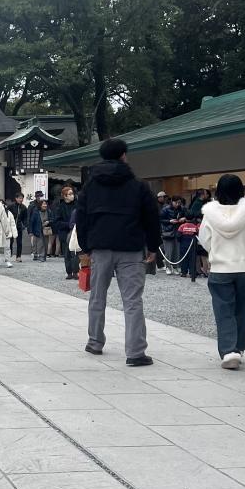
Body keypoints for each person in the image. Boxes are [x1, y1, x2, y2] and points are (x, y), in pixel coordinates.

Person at [74, 138, 160, 366]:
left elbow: (81, 218)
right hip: (130, 248)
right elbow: (151, 218)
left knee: (97, 296)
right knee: (132, 300)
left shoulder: (90, 186)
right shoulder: (138, 186)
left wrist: (86, 246)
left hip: (100, 248)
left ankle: (95, 341)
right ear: (123, 156)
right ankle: (135, 352)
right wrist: (153, 246)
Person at [198, 174, 245, 369]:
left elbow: (204, 238)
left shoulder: (210, 213)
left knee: (223, 310)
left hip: (220, 268)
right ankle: (238, 347)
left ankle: (229, 351)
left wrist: (214, 252)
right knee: (244, 310)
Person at [49, 185, 79, 279]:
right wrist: (69, 224)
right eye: (70, 194)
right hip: (65, 233)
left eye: (72, 193)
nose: (72, 195)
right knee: (67, 253)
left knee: (75, 252)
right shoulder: (60, 207)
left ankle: (76, 272)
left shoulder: (77, 205)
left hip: (76, 232)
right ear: (65, 196)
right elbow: (57, 222)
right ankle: (69, 272)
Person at [158, 193, 180, 274]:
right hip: (168, 232)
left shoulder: (181, 208)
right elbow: (160, 219)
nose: (177, 204)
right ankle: (168, 267)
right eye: (176, 202)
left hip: (177, 232)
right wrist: (170, 221)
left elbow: (189, 215)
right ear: (172, 201)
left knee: (177, 252)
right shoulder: (165, 209)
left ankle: (175, 267)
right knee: (168, 252)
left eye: (179, 203)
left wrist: (183, 218)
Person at [12, 193, 27, 261]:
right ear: (16, 198)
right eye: (19, 198)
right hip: (11, 226)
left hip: (19, 226)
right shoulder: (11, 206)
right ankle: (9, 254)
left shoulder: (24, 207)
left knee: (19, 242)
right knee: (10, 241)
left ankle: (18, 256)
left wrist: (24, 225)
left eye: (22, 198)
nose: (21, 200)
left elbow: (25, 218)